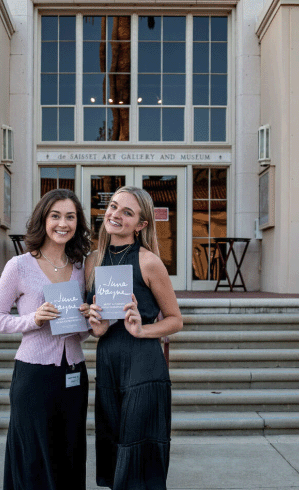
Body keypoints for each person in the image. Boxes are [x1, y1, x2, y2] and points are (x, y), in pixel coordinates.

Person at [0, 189, 92, 490]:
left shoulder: (83, 268)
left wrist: (87, 318)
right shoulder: (19, 266)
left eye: (70, 216)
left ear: (77, 223)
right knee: (33, 456)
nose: (63, 223)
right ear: (43, 220)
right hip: (34, 375)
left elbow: (81, 333)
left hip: (74, 374)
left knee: (70, 454)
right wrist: (33, 319)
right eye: (55, 216)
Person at [86, 186, 183, 490]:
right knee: (115, 444)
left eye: (127, 212)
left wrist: (143, 330)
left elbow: (175, 320)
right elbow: (93, 323)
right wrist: (95, 327)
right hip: (108, 362)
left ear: (141, 225)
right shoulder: (92, 261)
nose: (115, 215)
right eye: (114, 207)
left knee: (138, 450)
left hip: (143, 364)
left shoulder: (149, 262)